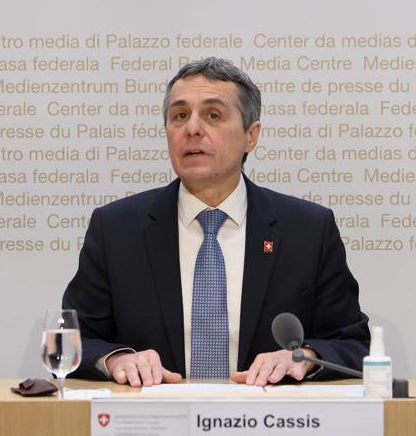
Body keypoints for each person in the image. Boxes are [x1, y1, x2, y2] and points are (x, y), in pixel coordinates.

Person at [62, 57, 369, 387]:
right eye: (180, 115)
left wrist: (303, 357)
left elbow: (351, 343)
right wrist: (117, 359)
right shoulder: (116, 229)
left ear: (251, 136)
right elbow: (71, 340)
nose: (192, 128)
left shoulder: (307, 230)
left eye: (212, 115)